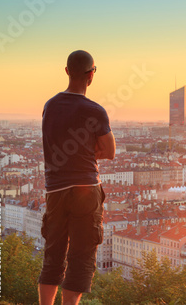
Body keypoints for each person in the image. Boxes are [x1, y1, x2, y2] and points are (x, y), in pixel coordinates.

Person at [38, 50, 115, 305]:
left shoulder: (50, 106)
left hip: (56, 190)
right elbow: (109, 151)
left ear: (67, 71)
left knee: (53, 254)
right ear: (91, 75)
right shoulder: (95, 110)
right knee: (81, 257)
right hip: (86, 187)